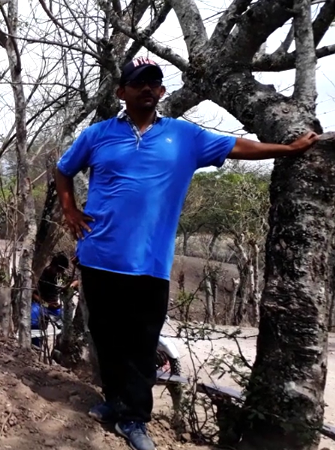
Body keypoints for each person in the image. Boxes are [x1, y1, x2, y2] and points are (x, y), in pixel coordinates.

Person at [54, 57, 318, 450]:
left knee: (142, 343)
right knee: (106, 337)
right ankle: (114, 402)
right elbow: (63, 170)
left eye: (154, 82)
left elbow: (237, 146)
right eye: (139, 82)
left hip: (150, 263)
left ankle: (134, 419)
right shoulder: (97, 135)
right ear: (121, 92)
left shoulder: (184, 136)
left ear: (162, 91)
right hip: (99, 256)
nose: (148, 88)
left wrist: (287, 148)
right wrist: (70, 211)